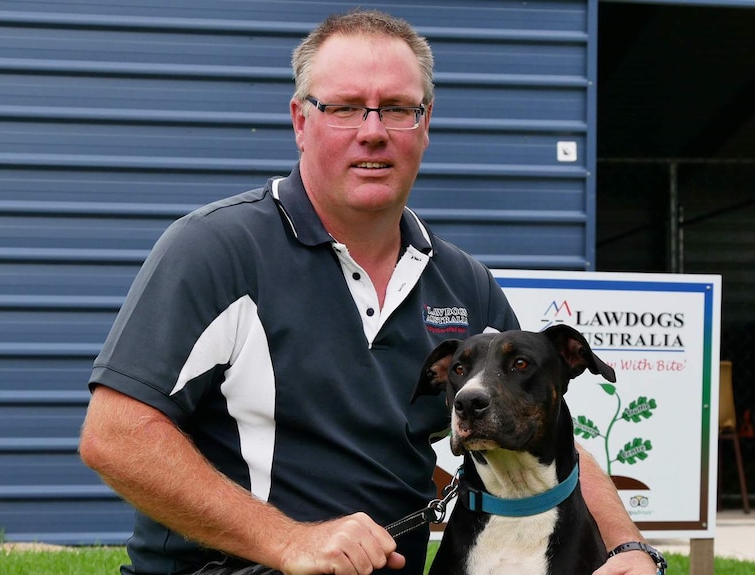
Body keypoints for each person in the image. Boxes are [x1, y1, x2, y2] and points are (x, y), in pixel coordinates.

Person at [79, 9, 660, 575]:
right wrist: (287, 542)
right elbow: (115, 436)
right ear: (301, 121)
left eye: (398, 110)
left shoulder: (464, 285)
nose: (374, 132)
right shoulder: (217, 251)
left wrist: (628, 547)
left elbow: (536, 427)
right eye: (345, 108)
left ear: (425, 125)